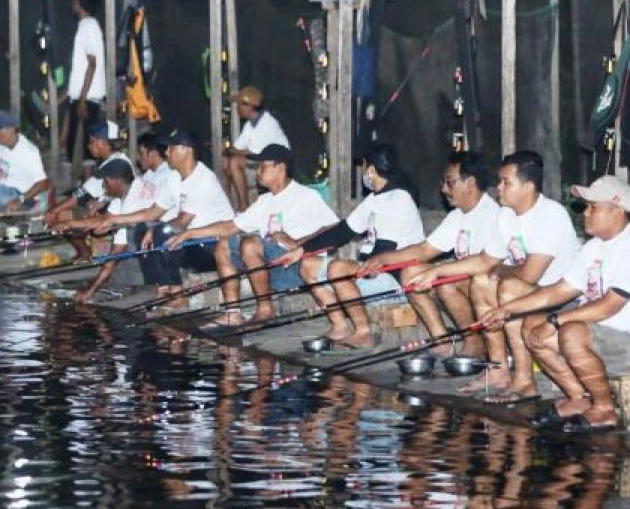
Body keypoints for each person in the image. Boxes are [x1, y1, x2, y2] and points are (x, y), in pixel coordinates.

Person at [480, 176, 630, 433]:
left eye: (593, 207)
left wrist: (555, 321)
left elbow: (607, 307)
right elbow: (559, 291)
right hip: (605, 337)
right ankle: (578, 399)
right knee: (532, 324)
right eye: (586, 207)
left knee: (570, 331)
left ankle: (604, 410)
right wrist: (506, 310)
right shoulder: (594, 248)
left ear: (617, 211)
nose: (586, 214)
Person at [407, 150, 581, 402]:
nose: (498, 187)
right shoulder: (506, 215)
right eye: (500, 181)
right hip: (527, 291)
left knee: (507, 286)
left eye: (506, 182)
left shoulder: (550, 215)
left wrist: (498, 271)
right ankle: (498, 369)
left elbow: (530, 274)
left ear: (528, 187)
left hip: (559, 298)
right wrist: (435, 271)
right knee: (481, 280)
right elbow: (486, 260)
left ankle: (524, 380)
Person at [167, 144, 338, 328]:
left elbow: (335, 228)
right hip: (271, 270)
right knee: (224, 243)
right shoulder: (264, 201)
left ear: (280, 168)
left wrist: (298, 243)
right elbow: (230, 226)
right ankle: (233, 313)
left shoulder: (306, 196)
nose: (257, 171)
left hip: (300, 269)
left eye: (263, 166)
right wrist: (189, 233)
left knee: (250, 244)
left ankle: (265, 309)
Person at [275, 143, 425, 348]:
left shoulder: (399, 199)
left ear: (372, 170)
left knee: (338, 269)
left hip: (394, 279)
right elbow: (342, 232)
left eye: (364, 167)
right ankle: (340, 326)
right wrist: (300, 251)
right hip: (372, 273)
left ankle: (363, 331)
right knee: (308, 265)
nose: (364, 172)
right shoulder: (374, 199)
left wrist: (349, 270)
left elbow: (384, 253)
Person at [356, 151, 501, 358]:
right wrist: (382, 259)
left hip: (489, 289)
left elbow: (485, 263)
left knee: (445, 283)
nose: (443, 189)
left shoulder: (493, 214)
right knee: (411, 272)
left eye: (450, 182)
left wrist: (438, 271)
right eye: (444, 182)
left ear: (470, 182)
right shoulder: (457, 216)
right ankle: (441, 341)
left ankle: (474, 342)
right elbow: (424, 250)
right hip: (464, 285)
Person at [137, 127, 235, 308]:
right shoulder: (174, 177)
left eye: (171, 148)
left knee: (164, 232)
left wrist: (157, 229)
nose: (166, 153)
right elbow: (154, 212)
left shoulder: (204, 179)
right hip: (191, 241)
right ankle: (161, 288)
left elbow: (182, 221)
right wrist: (111, 220)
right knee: (142, 230)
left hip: (212, 247)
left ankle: (177, 295)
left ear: (186, 150)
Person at [87, 131, 181, 296]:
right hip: (144, 220)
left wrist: (114, 220)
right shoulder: (148, 176)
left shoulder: (167, 176)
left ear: (152, 153)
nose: (138, 158)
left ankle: (155, 288)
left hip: (160, 228)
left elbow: (151, 213)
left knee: (134, 235)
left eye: (141, 153)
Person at [55, 159, 141, 304]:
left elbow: (114, 255)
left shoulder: (131, 202)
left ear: (118, 181)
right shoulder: (118, 199)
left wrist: (90, 292)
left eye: (106, 181)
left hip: (145, 253)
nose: (103, 186)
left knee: (118, 271)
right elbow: (101, 221)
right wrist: (69, 224)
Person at [46, 120, 130, 259]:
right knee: (64, 212)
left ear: (102, 142)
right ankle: (85, 252)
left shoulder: (117, 163)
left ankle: (86, 253)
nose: (89, 146)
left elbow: (80, 195)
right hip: (105, 208)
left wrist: (53, 211)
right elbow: (83, 193)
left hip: (115, 213)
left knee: (62, 216)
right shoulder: (110, 160)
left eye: (92, 142)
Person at [0, 110, 50, 213]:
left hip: (21, 198)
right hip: (3, 193)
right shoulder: (2, 147)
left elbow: (43, 183)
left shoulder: (29, 151)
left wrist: (19, 200)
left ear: (12, 129)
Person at [222, 86, 290, 209]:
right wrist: (230, 151)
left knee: (234, 162)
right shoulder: (250, 124)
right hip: (261, 164)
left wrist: (233, 151)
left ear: (249, 106)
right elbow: (237, 147)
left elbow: (255, 154)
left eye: (239, 105)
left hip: (278, 167)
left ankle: (243, 207)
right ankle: (226, 206)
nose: (237, 108)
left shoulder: (267, 123)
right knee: (226, 161)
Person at [65, 0, 106, 168]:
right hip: (83, 95)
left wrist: (82, 99)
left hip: (87, 96)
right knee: (77, 142)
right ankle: (80, 186)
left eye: (75, 1)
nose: (72, 4)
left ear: (81, 4)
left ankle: (84, 187)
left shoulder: (88, 26)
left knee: (84, 144)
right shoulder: (86, 25)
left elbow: (92, 63)